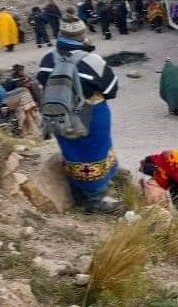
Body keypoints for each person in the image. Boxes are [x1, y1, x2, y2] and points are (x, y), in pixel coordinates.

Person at [37, 12, 120, 214]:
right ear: (82, 35)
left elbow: (41, 81)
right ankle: (95, 200)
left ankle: (77, 192)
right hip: (91, 115)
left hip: (59, 115)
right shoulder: (92, 60)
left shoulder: (48, 59)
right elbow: (111, 89)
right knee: (94, 155)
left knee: (73, 153)